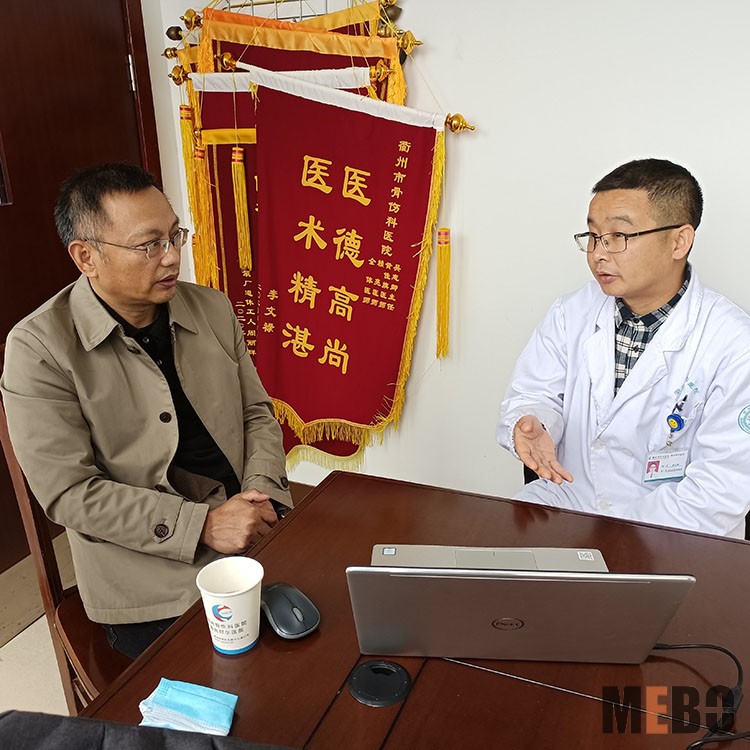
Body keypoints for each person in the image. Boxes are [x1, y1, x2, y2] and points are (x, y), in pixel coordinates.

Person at [0, 163, 292, 658]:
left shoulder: (212, 308)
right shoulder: (39, 349)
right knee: (245, 687)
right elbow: (69, 493)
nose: (172, 256)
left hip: (251, 526)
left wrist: (260, 496)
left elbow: (256, 414)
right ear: (86, 256)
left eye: (174, 235)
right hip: (149, 579)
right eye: (148, 245)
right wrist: (203, 525)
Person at [497, 158, 750, 538]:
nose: (598, 253)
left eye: (619, 235)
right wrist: (532, 420)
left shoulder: (734, 344)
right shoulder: (571, 313)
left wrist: (616, 536)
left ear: (679, 241)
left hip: (675, 537)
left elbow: (719, 491)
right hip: (569, 505)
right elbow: (533, 393)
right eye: (593, 235)